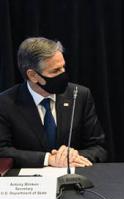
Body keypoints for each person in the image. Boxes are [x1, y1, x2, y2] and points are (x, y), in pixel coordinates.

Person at [0, 37, 107, 168]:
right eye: (55, 71)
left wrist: (72, 156)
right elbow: (3, 151)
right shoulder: (5, 103)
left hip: (75, 178)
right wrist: (48, 159)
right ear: (33, 75)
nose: (63, 74)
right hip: (29, 184)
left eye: (63, 67)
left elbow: (98, 148)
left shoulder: (80, 95)